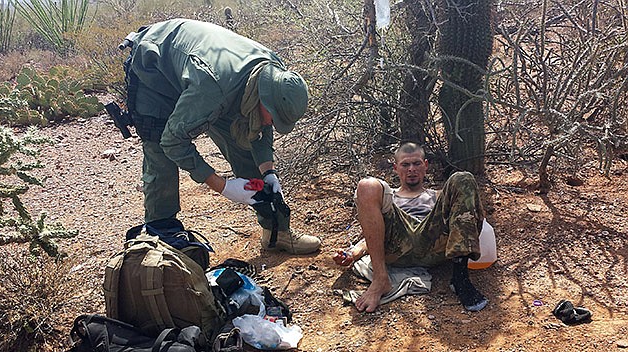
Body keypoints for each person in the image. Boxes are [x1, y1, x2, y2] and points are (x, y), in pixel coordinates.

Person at [123, 19, 321, 254]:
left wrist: (268, 172)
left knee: (246, 145)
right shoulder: (213, 89)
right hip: (154, 71)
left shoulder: (273, 74)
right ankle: (163, 243)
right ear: (264, 99)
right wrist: (223, 186)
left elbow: (261, 127)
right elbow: (173, 141)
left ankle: (276, 233)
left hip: (208, 76)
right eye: (274, 117)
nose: (272, 124)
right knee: (160, 153)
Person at [333, 143, 488, 312]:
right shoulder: (386, 198)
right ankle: (380, 279)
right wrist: (352, 253)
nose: (411, 169)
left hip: (434, 244)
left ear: (426, 165)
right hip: (397, 247)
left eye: (417, 163)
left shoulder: (440, 196)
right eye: (405, 165)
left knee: (463, 178)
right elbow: (374, 234)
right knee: (367, 185)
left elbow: (467, 217)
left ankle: (460, 279)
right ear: (395, 168)